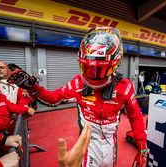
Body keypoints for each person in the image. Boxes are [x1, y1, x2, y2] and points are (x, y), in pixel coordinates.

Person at [8, 27, 147, 166]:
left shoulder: (125, 87)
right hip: (88, 145)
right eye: (88, 68)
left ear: (116, 64)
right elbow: (52, 98)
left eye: (99, 69)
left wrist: (142, 148)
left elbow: (136, 117)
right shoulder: (78, 83)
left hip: (111, 144)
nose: (93, 74)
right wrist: (32, 88)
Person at [0, 61, 35, 134]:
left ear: (7, 70)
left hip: (14, 125)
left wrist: (24, 106)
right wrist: (25, 109)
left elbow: (21, 99)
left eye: (1, 67)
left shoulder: (15, 85)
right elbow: (4, 103)